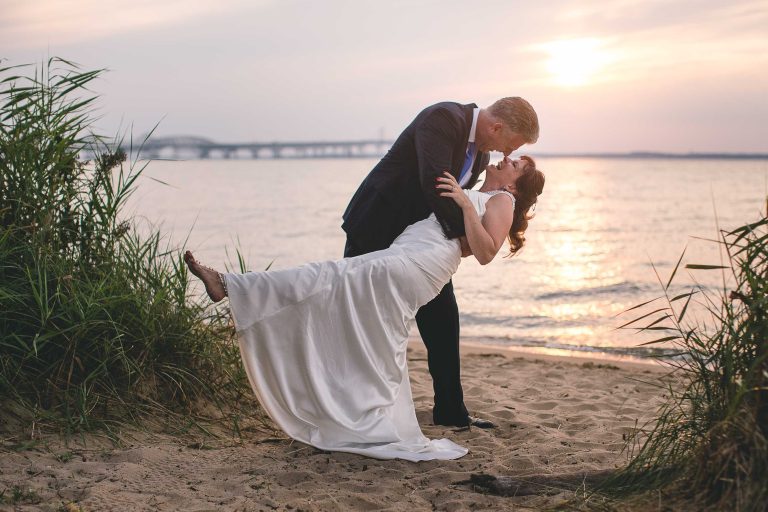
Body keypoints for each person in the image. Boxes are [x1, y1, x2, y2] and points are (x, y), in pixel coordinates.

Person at [185, 157, 545, 461]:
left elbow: (485, 252)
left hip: (420, 263)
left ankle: (230, 285)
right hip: (405, 254)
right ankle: (362, 411)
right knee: (368, 324)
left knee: (330, 277)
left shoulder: (502, 201)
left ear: (514, 186)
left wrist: (466, 206)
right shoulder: (481, 188)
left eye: (515, 164)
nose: (505, 159)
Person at [342, 98, 539, 428]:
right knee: (359, 316)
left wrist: (470, 231)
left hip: (417, 246)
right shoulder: (444, 118)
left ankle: (451, 412)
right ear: (497, 127)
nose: (507, 155)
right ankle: (352, 407)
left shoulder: (481, 155)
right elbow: (435, 186)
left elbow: (463, 200)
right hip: (377, 226)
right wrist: (466, 239)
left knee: (444, 322)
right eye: (511, 145)